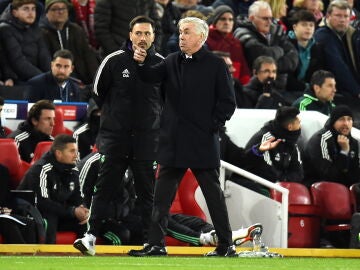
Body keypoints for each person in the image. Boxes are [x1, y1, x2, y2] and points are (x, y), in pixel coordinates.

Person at [129, 16, 237, 257]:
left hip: (201, 141)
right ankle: (156, 244)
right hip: (173, 141)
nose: (181, 36)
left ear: (201, 37)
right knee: (161, 197)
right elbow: (149, 76)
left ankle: (226, 245)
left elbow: (228, 103)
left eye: (187, 32)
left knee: (213, 196)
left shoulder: (216, 65)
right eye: (180, 32)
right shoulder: (171, 61)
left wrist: (211, 126)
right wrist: (141, 62)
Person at [73, 16, 164, 255]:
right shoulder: (113, 61)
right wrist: (116, 118)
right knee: (104, 188)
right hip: (116, 138)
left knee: (147, 193)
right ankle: (90, 236)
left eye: (147, 33)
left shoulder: (162, 64)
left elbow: (169, 100)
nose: (142, 38)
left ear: (153, 36)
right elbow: (97, 92)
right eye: (138, 33)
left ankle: (151, 242)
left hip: (147, 140)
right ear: (130, 35)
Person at [76, 152, 263, 247]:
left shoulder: (132, 163)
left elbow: (135, 195)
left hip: (131, 211)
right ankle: (206, 239)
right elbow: (82, 196)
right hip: (113, 218)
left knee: (191, 220)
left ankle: (222, 235)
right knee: (159, 220)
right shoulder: (94, 162)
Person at [17, 134, 89, 244]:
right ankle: (45, 256)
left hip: (60, 213)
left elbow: (77, 198)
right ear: (59, 153)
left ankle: (84, 256)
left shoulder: (73, 170)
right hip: (33, 214)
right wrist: (72, 211)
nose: (76, 155)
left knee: (85, 222)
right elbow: (42, 203)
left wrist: (83, 211)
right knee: (49, 217)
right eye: (72, 151)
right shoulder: (41, 169)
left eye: (76, 151)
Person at [234, 1, 298, 92]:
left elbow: (293, 58)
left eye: (270, 18)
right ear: (252, 18)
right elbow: (260, 54)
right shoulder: (242, 32)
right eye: (265, 18)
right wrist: (280, 51)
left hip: (279, 88)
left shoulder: (277, 31)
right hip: (255, 90)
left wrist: (270, 67)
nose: (269, 22)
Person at [40, 0, 99, 85]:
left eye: (63, 8)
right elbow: (46, 64)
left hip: (83, 81)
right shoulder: (42, 34)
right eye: (55, 9)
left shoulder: (76, 30)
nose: (60, 12)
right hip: (56, 82)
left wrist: (97, 82)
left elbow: (89, 58)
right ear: (47, 13)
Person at [243, 106, 303, 188]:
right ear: (290, 127)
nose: (300, 126)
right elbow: (265, 170)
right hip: (256, 186)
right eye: (299, 123)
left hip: (280, 185)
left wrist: (284, 181)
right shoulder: (266, 138)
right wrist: (281, 181)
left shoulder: (291, 141)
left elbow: (298, 172)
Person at [303, 105, 360, 187]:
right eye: (341, 119)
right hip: (317, 186)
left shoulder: (353, 142)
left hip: (342, 187)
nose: (346, 123)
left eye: (349, 119)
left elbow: (355, 174)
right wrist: (344, 152)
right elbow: (328, 175)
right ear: (333, 122)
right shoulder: (321, 139)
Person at [314, 0, 360, 98]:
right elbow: (338, 66)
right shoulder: (323, 35)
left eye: (346, 16)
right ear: (328, 16)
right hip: (331, 92)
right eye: (338, 15)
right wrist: (357, 91)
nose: (342, 20)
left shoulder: (350, 35)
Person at [0, 0, 51, 84]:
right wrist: (44, 79)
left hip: (37, 78)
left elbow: (45, 58)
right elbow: (18, 62)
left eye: (33, 9)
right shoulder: (5, 29)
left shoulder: (36, 30)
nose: (30, 13)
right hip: (17, 80)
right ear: (14, 12)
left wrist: (53, 76)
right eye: (26, 9)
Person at [94, 0, 162, 58]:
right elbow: (101, 30)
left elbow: (157, 28)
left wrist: (151, 52)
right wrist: (118, 54)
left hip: (145, 58)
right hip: (116, 58)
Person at [206, 5, 251, 85]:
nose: (227, 22)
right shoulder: (206, 40)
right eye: (223, 19)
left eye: (230, 20)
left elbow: (244, 69)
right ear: (215, 21)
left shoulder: (236, 43)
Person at [286, 10, 325, 93]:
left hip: (310, 91)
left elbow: (318, 73)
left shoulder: (317, 48)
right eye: (304, 25)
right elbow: (286, 77)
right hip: (288, 91)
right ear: (294, 27)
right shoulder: (285, 45)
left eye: (311, 25)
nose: (308, 28)